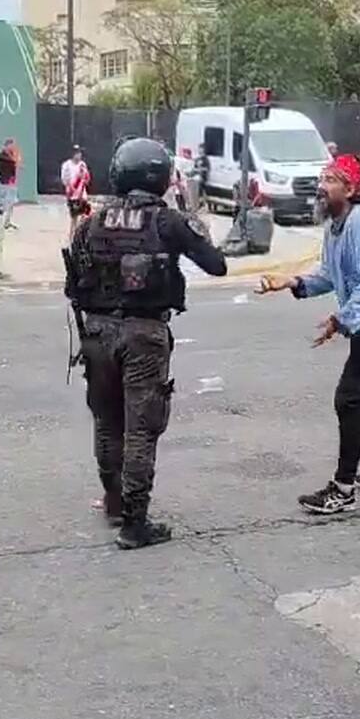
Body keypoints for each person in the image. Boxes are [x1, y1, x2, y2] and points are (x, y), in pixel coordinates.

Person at [65, 137, 227, 550]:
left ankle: (115, 502)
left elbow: (75, 282)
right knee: (141, 427)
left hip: (97, 333)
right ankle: (135, 524)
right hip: (143, 334)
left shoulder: (93, 222)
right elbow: (216, 264)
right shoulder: (167, 221)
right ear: (160, 177)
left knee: (107, 421)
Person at [257, 156, 360, 517]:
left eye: (332, 179)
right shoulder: (335, 225)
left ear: (352, 189)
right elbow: (329, 274)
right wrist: (294, 282)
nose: (321, 185)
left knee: (348, 399)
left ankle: (343, 489)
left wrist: (341, 320)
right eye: (322, 177)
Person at [61, 146, 91, 241]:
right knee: (74, 218)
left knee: (84, 216)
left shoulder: (83, 165)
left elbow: (87, 179)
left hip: (82, 195)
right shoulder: (66, 165)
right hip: (73, 196)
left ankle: (80, 237)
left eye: (80, 153)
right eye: (77, 153)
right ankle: (72, 237)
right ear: (73, 154)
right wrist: (71, 188)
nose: (79, 155)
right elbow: (64, 180)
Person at [0, 138, 21, 230]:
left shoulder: (11, 155)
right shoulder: (3, 155)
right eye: (11, 145)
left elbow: (16, 166)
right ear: (7, 145)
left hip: (12, 181)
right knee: (6, 203)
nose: (13, 147)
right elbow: (14, 162)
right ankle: (3, 222)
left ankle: (7, 222)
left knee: (11, 203)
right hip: (5, 182)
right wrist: (16, 159)